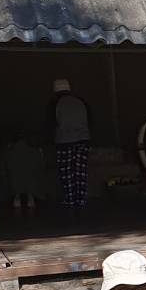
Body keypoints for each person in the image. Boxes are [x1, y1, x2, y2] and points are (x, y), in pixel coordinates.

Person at [50, 78, 91, 208]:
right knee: (81, 170)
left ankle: (70, 198)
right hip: (84, 139)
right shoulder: (80, 101)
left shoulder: (55, 103)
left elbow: (50, 123)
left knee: (67, 171)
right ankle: (82, 198)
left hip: (64, 140)